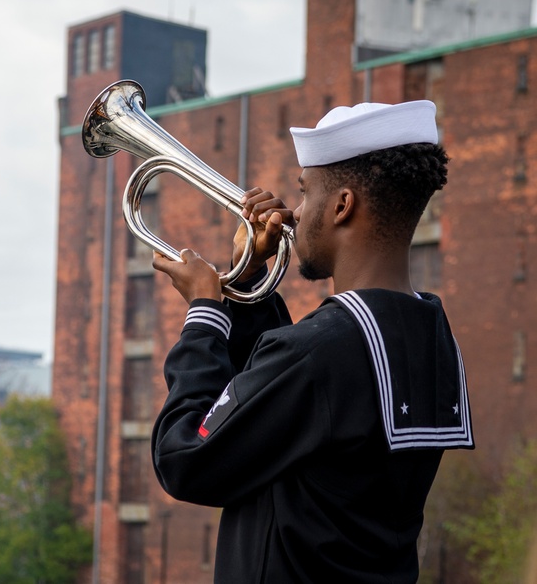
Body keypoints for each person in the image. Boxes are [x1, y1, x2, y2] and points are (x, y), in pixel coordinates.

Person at [150, 100, 474, 583]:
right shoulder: (434, 337)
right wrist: (247, 280)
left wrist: (204, 312)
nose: (295, 214)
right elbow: (281, 415)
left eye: (305, 193)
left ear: (342, 205)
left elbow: (183, 459)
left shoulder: (319, 353)